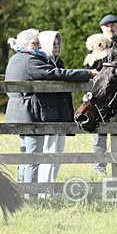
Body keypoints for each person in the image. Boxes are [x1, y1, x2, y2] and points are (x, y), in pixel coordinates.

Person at [5, 28, 95, 195]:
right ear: (25, 44)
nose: (39, 46)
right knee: (33, 158)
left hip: (19, 112)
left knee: (26, 156)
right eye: (35, 43)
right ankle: (30, 195)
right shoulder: (29, 60)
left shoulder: (16, 58)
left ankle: (24, 192)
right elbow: (53, 73)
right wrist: (87, 74)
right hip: (29, 114)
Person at [36, 30, 79, 188]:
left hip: (62, 113)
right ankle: (43, 190)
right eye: (53, 44)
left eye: (57, 43)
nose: (56, 47)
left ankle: (51, 187)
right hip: (49, 114)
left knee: (58, 152)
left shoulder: (59, 62)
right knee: (49, 152)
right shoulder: (41, 62)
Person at [91, 14, 117, 176]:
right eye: (107, 26)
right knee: (100, 133)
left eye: (113, 25)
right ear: (102, 29)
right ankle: (100, 169)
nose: (110, 29)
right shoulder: (95, 45)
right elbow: (91, 67)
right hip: (101, 96)